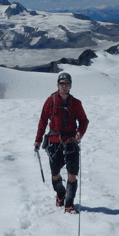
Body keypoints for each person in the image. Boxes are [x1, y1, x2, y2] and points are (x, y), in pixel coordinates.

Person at [34, 71, 89, 213]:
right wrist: (38, 140)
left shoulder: (76, 103)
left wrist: (79, 133)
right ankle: (60, 193)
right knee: (55, 174)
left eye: (67, 83)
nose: (64, 86)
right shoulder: (50, 102)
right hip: (54, 143)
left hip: (71, 142)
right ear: (57, 85)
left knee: (72, 174)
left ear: (70, 86)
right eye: (62, 83)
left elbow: (84, 121)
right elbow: (43, 121)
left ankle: (69, 204)